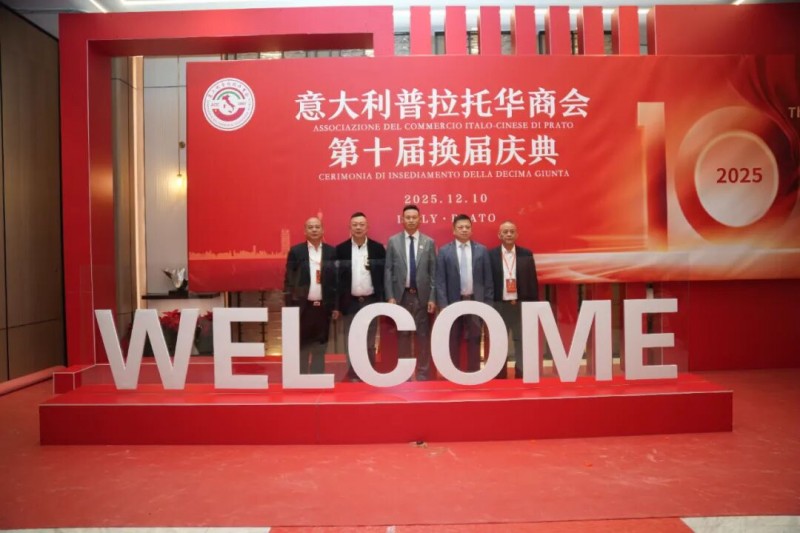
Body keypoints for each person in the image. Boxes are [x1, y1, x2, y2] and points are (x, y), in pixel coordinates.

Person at [435, 214, 493, 372]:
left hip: (475, 301)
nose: (464, 230)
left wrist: (488, 304)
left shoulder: (481, 250)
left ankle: (474, 372)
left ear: (471, 230)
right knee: (453, 338)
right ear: (454, 230)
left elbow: (488, 280)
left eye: (467, 227)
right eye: (460, 227)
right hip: (453, 302)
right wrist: (443, 305)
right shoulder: (444, 251)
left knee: (475, 338)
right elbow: (440, 281)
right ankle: (453, 372)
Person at [384, 204, 437, 380]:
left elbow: (433, 273)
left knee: (423, 337)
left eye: (414, 217)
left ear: (420, 219)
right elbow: (388, 270)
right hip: (401, 297)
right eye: (408, 217)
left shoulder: (429, 242)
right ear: (402, 219)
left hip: (422, 297)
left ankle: (423, 374)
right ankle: (404, 375)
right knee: (403, 336)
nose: (411, 220)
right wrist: (390, 296)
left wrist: (432, 297)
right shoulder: (393, 241)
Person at [335, 212, 386, 381]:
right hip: (349, 302)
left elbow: (384, 276)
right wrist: (337, 305)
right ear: (349, 227)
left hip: (371, 301)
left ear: (367, 227)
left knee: (370, 340)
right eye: (355, 224)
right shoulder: (340, 250)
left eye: (361, 224)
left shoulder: (377, 248)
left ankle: (369, 372)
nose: (358, 227)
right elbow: (336, 279)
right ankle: (354, 373)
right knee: (352, 340)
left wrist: (384, 300)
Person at [283, 216, 337, 374]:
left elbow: (336, 281)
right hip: (303, 307)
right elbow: (289, 280)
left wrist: (335, 306)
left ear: (323, 230)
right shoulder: (296, 251)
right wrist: (290, 305)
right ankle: (301, 376)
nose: (314, 230)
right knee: (302, 345)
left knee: (320, 346)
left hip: (323, 308)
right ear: (305, 231)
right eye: (310, 227)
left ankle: (317, 376)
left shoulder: (331, 252)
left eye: (317, 227)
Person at [489, 220, 539, 379]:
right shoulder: (490, 255)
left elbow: (532, 281)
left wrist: (533, 306)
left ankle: (521, 372)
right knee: (499, 340)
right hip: (499, 305)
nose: (509, 234)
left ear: (517, 234)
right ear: (499, 235)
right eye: (505, 232)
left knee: (521, 339)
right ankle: (499, 374)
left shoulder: (526, 254)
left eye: (512, 231)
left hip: (520, 305)